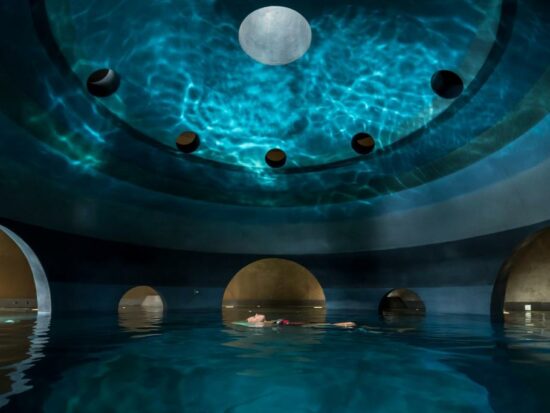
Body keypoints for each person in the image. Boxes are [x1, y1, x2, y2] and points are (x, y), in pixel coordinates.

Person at [236, 313, 356, 328]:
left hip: (289, 323)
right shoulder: (261, 325)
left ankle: (341, 324)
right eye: (253, 316)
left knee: (315, 324)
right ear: (254, 322)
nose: (256, 314)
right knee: (317, 325)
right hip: (289, 325)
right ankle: (341, 325)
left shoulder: (265, 322)